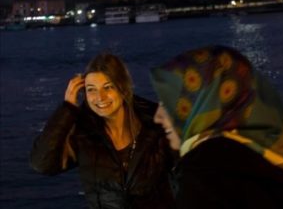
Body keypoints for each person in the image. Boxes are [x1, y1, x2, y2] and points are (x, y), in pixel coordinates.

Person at [150, 45, 283, 209]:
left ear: (202, 105)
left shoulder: (205, 173)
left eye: (168, 104)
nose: (157, 117)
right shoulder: (274, 161)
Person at [30, 53, 175, 209]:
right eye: (91, 89)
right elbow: (42, 164)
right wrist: (68, 108)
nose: (100, 97)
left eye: (108, 87)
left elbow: (189, 173)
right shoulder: (84, 133)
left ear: (123, 89)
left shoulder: (156, 126)